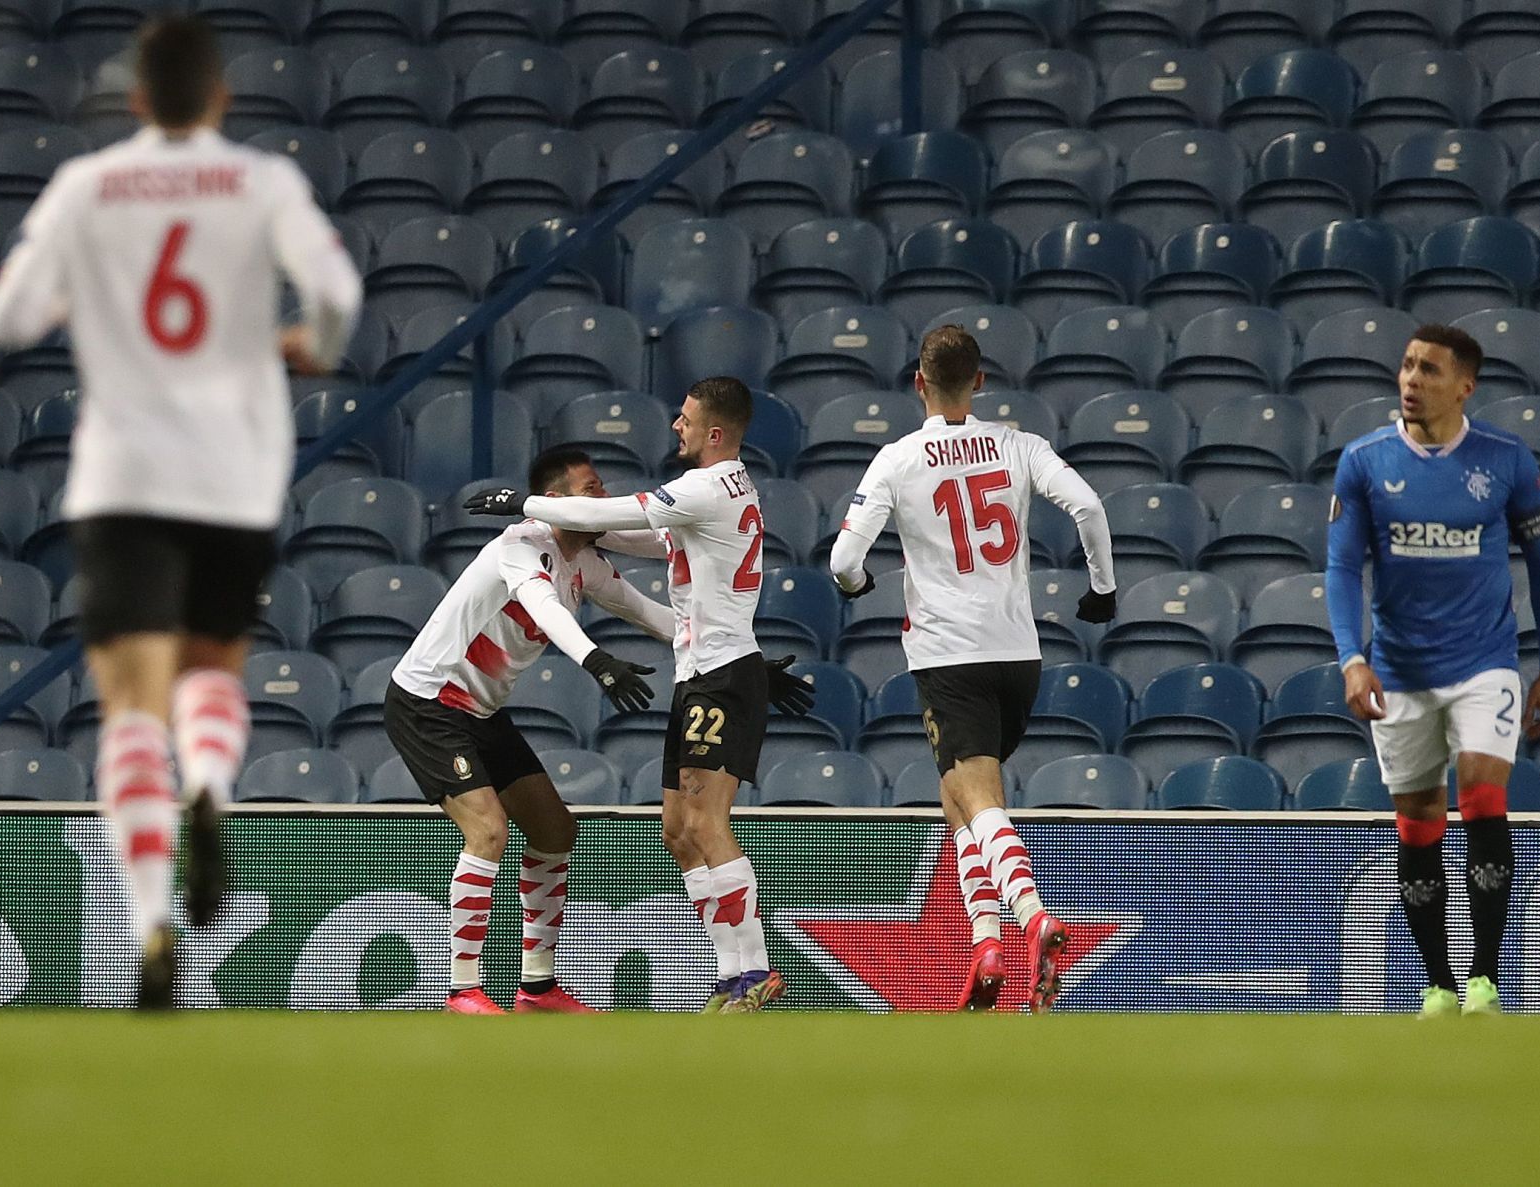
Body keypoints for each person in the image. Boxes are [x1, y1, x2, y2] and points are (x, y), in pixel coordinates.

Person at [0, 15, 363, 1008]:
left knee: (129, 706)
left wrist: (77, 301)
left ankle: (152, 920)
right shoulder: (259, 181)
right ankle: (210, 785)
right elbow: (335, 288)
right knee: (209, 672)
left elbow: (8, 318)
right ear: (222, 96)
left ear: (138, 99)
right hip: (235, 470)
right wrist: (309, 343)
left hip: (124, 473)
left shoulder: (88, 187)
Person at [468, 378, 816, 1013]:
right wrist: (573, 521)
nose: (675, 428)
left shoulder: (706, 486)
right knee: (678, 829)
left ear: (716, 433)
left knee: (707, 821)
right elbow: (629, 535)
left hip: (721, 675)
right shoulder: (721, 494)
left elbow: (611, 516)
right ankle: (731, 975)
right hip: (704, 674)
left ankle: (755, 972)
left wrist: (526, 503)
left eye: (685, 420)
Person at [828, 326, 1117, 1013]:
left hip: (949, 653)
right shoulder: (1020, 446)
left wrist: (856, 586)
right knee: (956, 796)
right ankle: (984, 942)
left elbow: (843, 562)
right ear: (981, 381)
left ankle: (1033, 917)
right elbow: (1089, 505)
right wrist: (1101, 587)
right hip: (1019, 654)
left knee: (980, 796)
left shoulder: (897, 460)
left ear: (918, 383)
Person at [1327, 324, 1540, 1018]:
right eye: (1406, 365)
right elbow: (1343, 566)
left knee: (1483, 796)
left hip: (1484, 661)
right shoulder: (1365, 460)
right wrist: (1351, 656)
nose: (1410, 379)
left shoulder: (1505, 460)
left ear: (1465, 385)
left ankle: (1486, 976)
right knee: (1419, 822)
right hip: (1400, 667)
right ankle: (1438, 983)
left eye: (1428, 369)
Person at [388, 447, 675, 1014]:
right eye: (592, 489)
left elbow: (646, 610)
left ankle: (537, 988)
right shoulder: (519, 546)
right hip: (429, 704)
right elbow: (545, 609)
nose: (604, 498)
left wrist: (730, 655)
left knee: (553, 830)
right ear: (557, 500)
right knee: (489, 831)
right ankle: (462, 990)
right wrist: (597, 661)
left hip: (481, 714)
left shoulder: (584, 561)